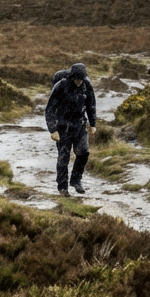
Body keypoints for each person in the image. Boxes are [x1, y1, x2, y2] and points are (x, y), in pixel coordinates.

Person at [45, 62, 97, 197]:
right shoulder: (61, 86)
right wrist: (53, 130)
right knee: (64, 158)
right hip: (63, 127)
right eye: (76, 79)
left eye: (81, 79)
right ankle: (62, 187)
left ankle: (76, 181)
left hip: (80, 125)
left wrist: (93, 124)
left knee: (83, 153)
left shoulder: (87, 85)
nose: (79, 82)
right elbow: (50, 109)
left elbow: (91, 104)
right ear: (72, 77)